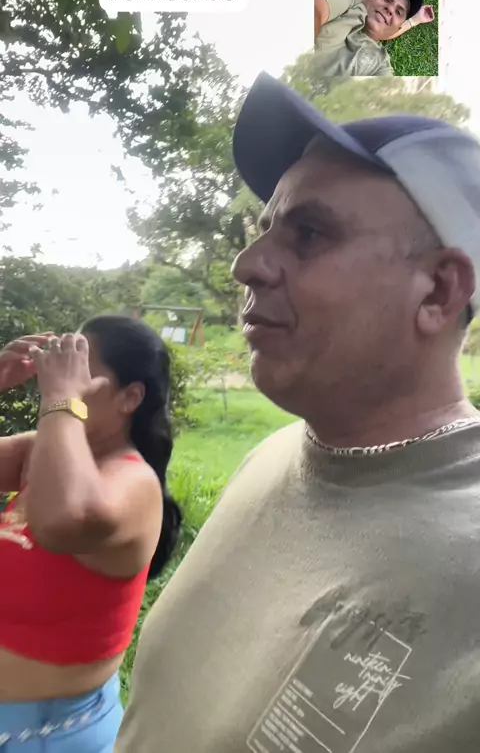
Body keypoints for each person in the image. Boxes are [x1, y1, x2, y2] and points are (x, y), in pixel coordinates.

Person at [115, 72, 480, 753]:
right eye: (266, 230)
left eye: (309, 233)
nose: (247, 265)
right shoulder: (274, 455)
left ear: (438, 290)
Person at [0, 315, 180, 751]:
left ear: (130, 397)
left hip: (49, 736)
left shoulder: (134, 484)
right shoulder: (40, 453)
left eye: (80, 368)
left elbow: (62, 521)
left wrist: (61, 399)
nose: (60, 376)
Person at [314, 0, 433, 76]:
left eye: (398, 12)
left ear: (397, 29)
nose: (390, 8)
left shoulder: (380, 64)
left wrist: (414, 21)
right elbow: (315, 9)